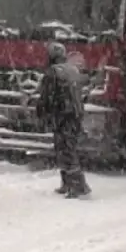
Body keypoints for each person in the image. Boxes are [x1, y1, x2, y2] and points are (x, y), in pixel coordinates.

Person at [35, 42, 90, 199]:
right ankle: (68, 184)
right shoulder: (73, 70)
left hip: (62, 116)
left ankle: (78, 186)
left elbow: (47, 97)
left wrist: (40, 113)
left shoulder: (53, 73)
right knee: (68, 148)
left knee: (65, 150)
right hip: (74, 116)